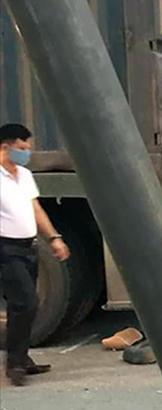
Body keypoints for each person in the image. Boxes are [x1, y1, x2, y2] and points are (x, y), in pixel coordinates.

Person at [0, 124, 70, 386]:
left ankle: (22, 357)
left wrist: (54, 238)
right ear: (5, 147)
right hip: (6, 249)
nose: (27, 152)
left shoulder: (25, 175)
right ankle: (15, 365)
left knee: (25, 307)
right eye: (22, 147)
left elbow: (35, 209)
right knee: (25, 302)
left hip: (29, 247)